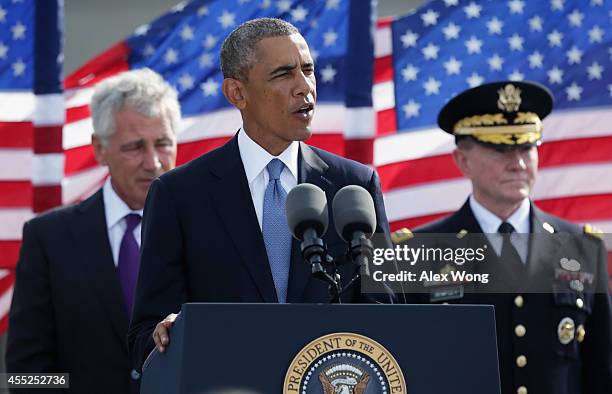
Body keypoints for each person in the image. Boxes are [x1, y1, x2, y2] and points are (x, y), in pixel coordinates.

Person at [128, 18, 392, 369]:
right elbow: (145, 334)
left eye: (308, 70)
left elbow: (391, 316)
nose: (304, 88)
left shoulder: (355, 186)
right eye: (283, 74)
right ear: (237, 93)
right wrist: (169, 333)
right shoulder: (178, 195)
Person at [394, 81, 611, 393]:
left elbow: (601, 372)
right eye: (501, 150)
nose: (518, 163)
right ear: (462, 161)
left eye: (526, 147)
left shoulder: (582, 246)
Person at [6, 68, 180, 394]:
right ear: (99, 149)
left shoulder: (205, 228)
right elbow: (23, 374)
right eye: (135, 147)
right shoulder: (48, 239)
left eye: (163, 143)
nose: (153, 162)